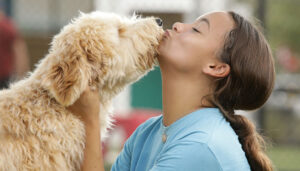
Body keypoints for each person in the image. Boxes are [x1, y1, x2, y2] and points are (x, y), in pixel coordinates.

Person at [68, 11, 275, 171]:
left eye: (196, 30)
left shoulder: (202, 145)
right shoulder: (147, 132)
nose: (178, 25)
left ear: (216, 67)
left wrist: (91, 120)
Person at [0, 6, 29, 89]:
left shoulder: (7, 27)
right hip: (4, 77)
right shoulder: (8, 26)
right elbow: (20, 53)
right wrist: (22, 76)